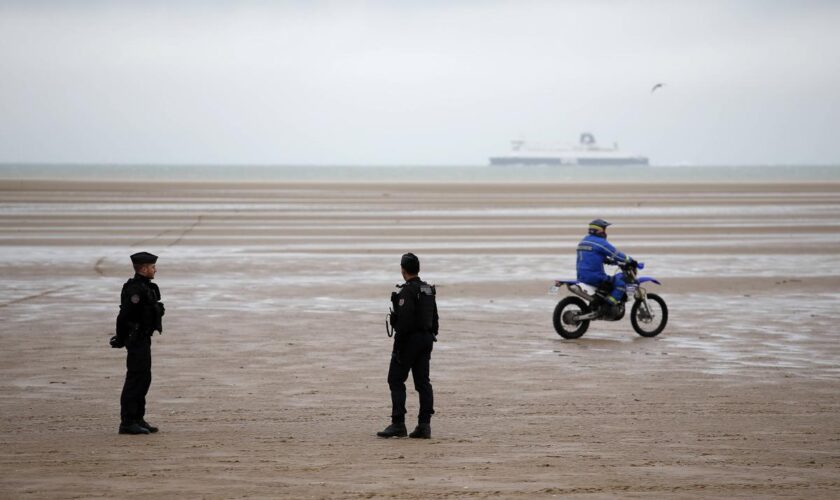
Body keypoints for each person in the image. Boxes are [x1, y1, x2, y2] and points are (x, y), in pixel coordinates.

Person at [377, 253, 439, 439]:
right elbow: (435, 318)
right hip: (426, 339)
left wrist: (396, 327)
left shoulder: (407, 292)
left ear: (403, 270)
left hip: (409, 341)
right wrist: (431, 336)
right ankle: (424, 425)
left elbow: (404, 324)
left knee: (395, 380)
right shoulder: (427, 289)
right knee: (422, 382)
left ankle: (398, 424)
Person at [109, 251, 165, 435]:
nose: (155, 270)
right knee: (135, 379)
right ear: (144, 268)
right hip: (136, 339)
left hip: (143, 338)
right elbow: (123, 316)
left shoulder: (146, 287)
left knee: (144, 378)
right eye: (152, 267)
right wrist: (120, 338)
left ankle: (138, 418)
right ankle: (127, 422)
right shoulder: (135, 290)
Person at [576, 219, 635, 315]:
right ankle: (607, 307)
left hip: (581, 276)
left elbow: (591, 257)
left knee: (609, 284)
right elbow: (616, 254)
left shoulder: (583, 241)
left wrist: (608, 260)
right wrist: (631, 261)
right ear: (600, 230)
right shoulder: (600, 242)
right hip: (594, 277)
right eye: (604, 229)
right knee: (621, 284)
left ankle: (601, 302)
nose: (605, 232)